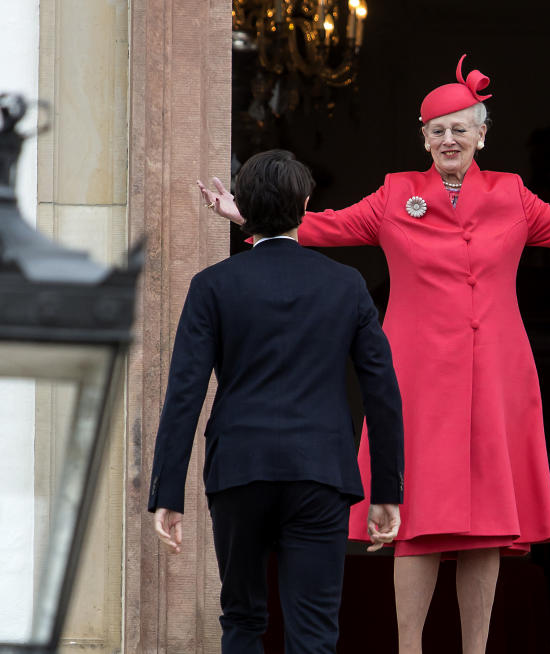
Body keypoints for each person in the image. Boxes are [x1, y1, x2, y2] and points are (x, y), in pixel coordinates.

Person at [199, 55, 550, 654]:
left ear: (482, 133)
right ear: (422, 138)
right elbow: (323, 226)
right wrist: (251, 218)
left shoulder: (512, 195)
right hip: (416, 378)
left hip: (497, 373)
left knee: (485, 528)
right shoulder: (397, 193)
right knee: (416, 521)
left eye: (460, 127)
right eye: (437, 129)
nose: (449, 139)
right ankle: (409, 649)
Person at [150, 149, 404, 654]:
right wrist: (387, 488)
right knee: (313, 631)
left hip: (239, 469)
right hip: (321, 471)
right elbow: (382, 391)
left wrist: (167, 491)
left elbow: (185, 392)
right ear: (307, 206)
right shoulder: (346, 284)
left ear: (242, 205)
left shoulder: (212, 285)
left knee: (242, 618)